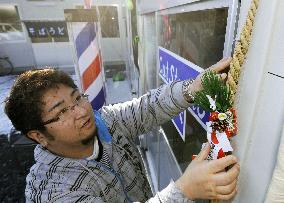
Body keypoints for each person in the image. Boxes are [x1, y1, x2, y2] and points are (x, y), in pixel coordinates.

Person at [5, 58, 240, 202]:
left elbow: (148, 107)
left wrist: (192, 88)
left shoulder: (103, 123)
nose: (81, 112)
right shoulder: (52, 192)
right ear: (37, 136)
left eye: (77, 98)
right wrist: (185, 190)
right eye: (61, 112)